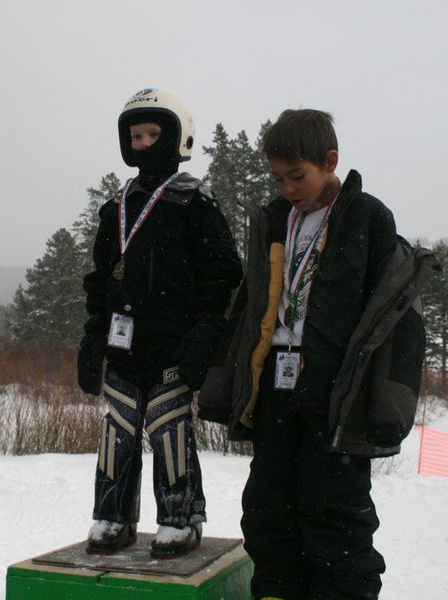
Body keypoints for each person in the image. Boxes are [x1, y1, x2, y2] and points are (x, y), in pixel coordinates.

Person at [198, 109, 433, 599]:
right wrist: (224, 377)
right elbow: (252, 303)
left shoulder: (367, 217)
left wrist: (388, 400)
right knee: (267, 509)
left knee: (335, 516)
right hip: (277, 393)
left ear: (330, 161)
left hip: (334, 394)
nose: (287, 187)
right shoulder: (274, 220)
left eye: (297, 175)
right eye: (278, 178)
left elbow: (394, 312)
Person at [77, 87, 242, 558]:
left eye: (153, 134)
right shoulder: (116, 207)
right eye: (136, 136)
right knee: (118, 427)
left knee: (169, 424)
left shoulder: (194, 202)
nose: (144, 144)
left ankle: (180, 517)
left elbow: (223, 275)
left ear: (177, 137)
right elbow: (100, 279)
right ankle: (112, 516)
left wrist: (207, 332)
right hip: (123, 343)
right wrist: (92, 339)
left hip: (176, 344)